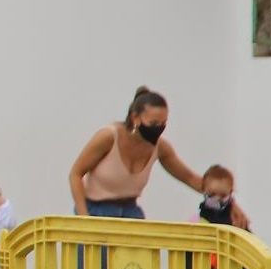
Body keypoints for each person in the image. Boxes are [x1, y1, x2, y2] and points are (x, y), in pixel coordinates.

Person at [69, 87, 246, 222]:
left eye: (163, 123)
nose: (158, 128)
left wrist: (229, 203)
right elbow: (76, 174)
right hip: (96, 211)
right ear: (135, 118)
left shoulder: (160, 147)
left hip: (130, 213)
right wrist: (84, 219)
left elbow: (190, 178)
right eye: (153, 122)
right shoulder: (108, 137)